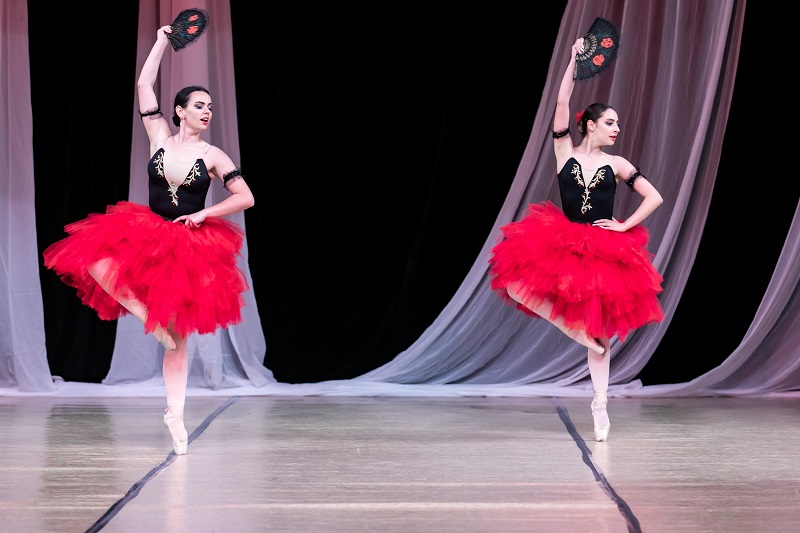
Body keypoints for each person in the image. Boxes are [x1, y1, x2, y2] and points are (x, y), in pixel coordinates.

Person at [43, 25, 255, 456]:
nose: (207, 112)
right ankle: (147, 316)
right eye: (199, 105)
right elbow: (143, 85)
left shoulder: (213, 155)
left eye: (210, 107)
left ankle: (175, 414)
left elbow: (246, 197)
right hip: (149, 231)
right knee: (93, 259)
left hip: (191, 243)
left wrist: (204, 213)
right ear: (180, 111)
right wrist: (161, 40)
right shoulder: (158, 133)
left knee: (179, 337)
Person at [488, 37, 664, 442]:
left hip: (603, 248)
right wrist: (572, 59)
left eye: (617, 124)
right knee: (515, 285)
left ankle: (600, 404)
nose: (617, 129)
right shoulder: (563, 150)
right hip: (563, 239)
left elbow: (654, 196)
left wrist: (624, 225)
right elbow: (562, 101)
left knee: (600, 334)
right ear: (591, 125)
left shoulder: (617, 163)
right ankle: (573, 329)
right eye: (610, 123)